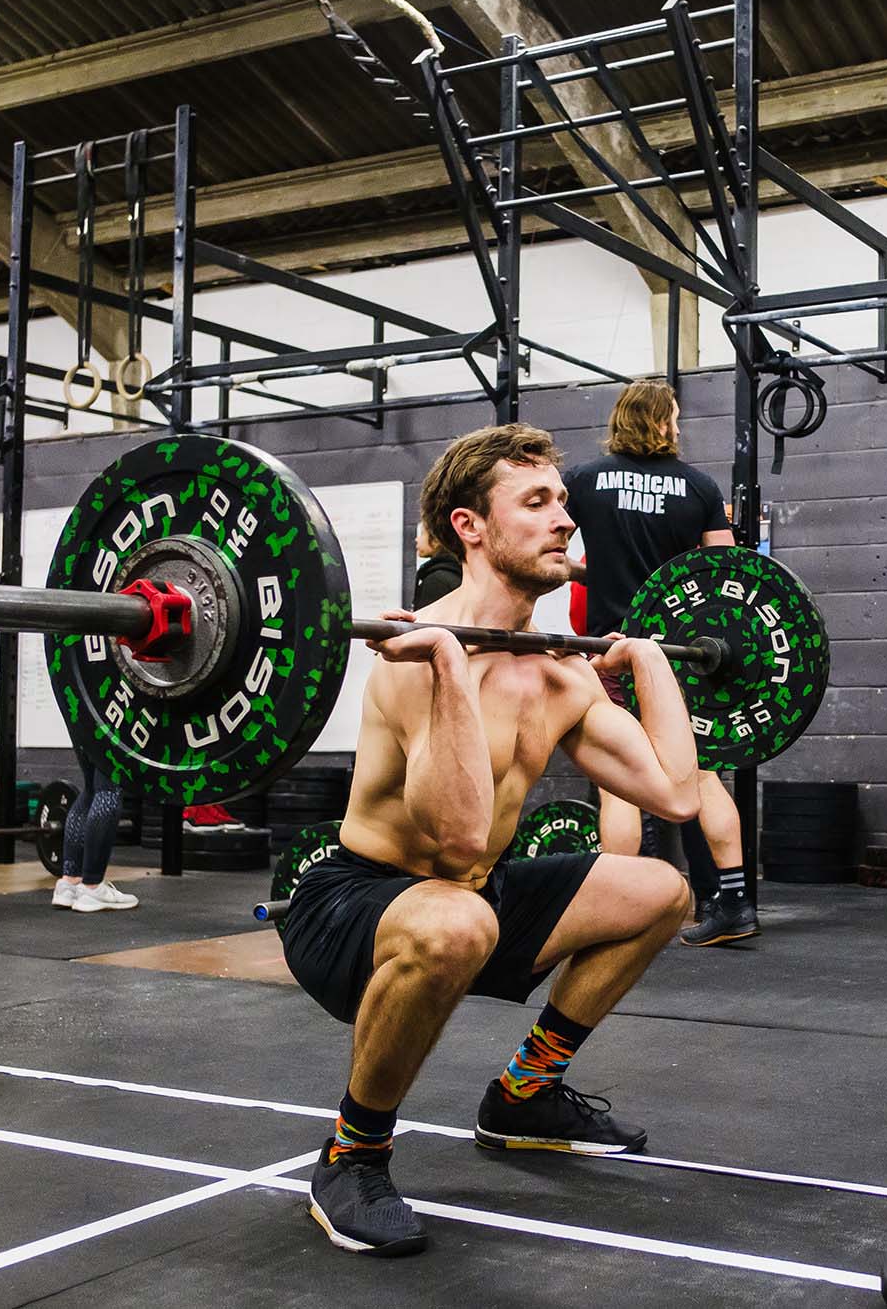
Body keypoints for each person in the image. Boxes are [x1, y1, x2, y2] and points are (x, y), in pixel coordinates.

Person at [280, 423, 699, 1258]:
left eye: (563, 504)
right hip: (356, 903)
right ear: (470, 526)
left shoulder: (562, 668)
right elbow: (457, 830)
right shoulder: (410, 651)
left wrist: (652, 667)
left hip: (478, 891)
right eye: (536, 503)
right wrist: (444, 664)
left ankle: (522, 1095)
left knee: (662, 889)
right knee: (456, 924)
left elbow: (676, 795)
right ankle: (351, 1156)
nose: (564, 520)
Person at [564, 380, 757, 946]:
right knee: (701, 776)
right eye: (674, 417)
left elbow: (544, 547)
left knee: (618, 783)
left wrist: (590, 572)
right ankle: (735, 903)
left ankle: (612, 913)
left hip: (613, 651)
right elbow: (731, 574)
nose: (678, 426)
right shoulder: (697, 486)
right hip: (680, 655)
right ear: (664, 422)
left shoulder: (583, 480)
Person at [53, 753, 138, 913]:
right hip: (111, 727)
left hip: (80, 727)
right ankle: (92, 887)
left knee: (91, 787)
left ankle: (70, 883)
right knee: (109, 787)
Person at [411, 521, 462, 610]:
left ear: (436, 541)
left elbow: (426, 622)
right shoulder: (457, 571)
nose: (416, 539)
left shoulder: (436, 580)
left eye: (422, 534)